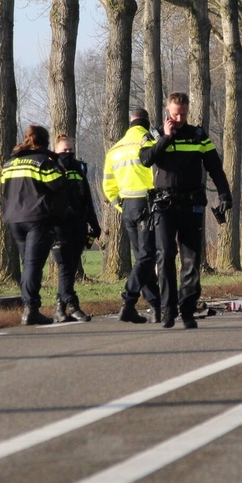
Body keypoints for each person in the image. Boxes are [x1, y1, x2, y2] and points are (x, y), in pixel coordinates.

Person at [139, 92, 231, 329]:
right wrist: (165, 138)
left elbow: (215, 168)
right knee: (165, 254)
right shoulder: (155, 135)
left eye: (183, 114)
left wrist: (224, 195)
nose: (179, 118)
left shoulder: (198, 135)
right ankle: (168, 309)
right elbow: (145, 159)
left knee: (191, 259)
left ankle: (188, 310)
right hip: (165, 205)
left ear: (188, 111)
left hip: (192, 205)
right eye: (175, 114)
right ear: (167, 110)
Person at [0, 125, 65, 325]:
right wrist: (58, 163)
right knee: (33, 265)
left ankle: (28, 306)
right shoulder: (42, 162)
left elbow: (5, 190)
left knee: (26, 264)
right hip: (37, 218)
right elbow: (58, 184)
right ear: (45, 141)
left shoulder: (9, 163)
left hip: (14, 219)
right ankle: (31, 309)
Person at [103, 108, 161, 324]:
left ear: (130, 123)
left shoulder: (115, 149)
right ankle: (128, 302)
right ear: (146, 123)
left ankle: (156, 306)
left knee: (143, 259)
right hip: (147, 204)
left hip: (127, 207)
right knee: (146, 257)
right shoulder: (149, 142)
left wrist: (121, 206)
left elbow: (108, 186)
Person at [51, 134, 101, 323]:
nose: (68, 153)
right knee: (64, 265)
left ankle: (60, 308)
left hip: (78, 224)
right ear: (55, 151)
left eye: (70, 150)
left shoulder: (79, 168)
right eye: (64, 150)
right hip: (59, 225)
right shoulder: (51, 168)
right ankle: (72, 305)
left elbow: (87, 197)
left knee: (71, 267)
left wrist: (94, 224)